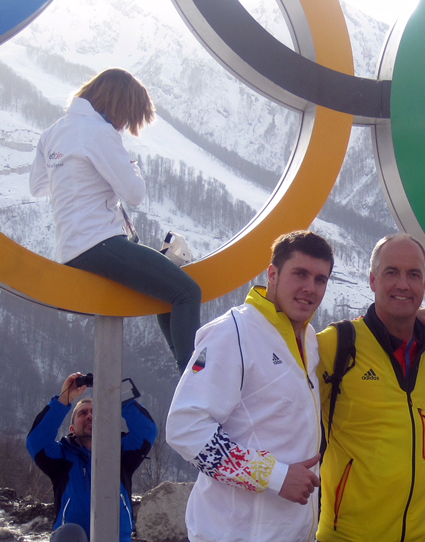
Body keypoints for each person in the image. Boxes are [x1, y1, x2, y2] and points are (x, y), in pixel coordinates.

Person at [30, 68, 201, 371]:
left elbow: (38, 186)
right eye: (127, 118)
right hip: (101, 244)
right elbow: (135, 193)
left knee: (167, 291)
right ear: (119, 107)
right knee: (187, 292)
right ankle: (196, 383)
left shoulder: (54, 131)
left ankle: (187, 373)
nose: (123, 127)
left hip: (71, 250)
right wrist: (130, 164)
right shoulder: (99, 133)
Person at [166, 230, 332, 542]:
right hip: (233, 533)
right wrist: (275, 476)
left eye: (320, 279)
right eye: (300, 274)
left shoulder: (307, 339)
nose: (310, 288)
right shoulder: (232, 333)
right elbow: (185, 429)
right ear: (273, 273)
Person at [316, 234, 425, 542]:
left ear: (424, 284)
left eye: (413, 274)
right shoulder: (336, 345)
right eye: (392, 272)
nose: (403, 284)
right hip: (349, 536)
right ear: (373, 280)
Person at [26, 372, 157, 542]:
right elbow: (37, 441)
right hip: (72, 539)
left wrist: (118, 393)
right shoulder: (61, 457)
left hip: (115, 538)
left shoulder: (120, 453)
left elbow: (146, 431)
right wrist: (65, 398)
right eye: (82, 414)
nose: (89, 416)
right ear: (72, 429)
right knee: (70, 532)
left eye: (95, 412)